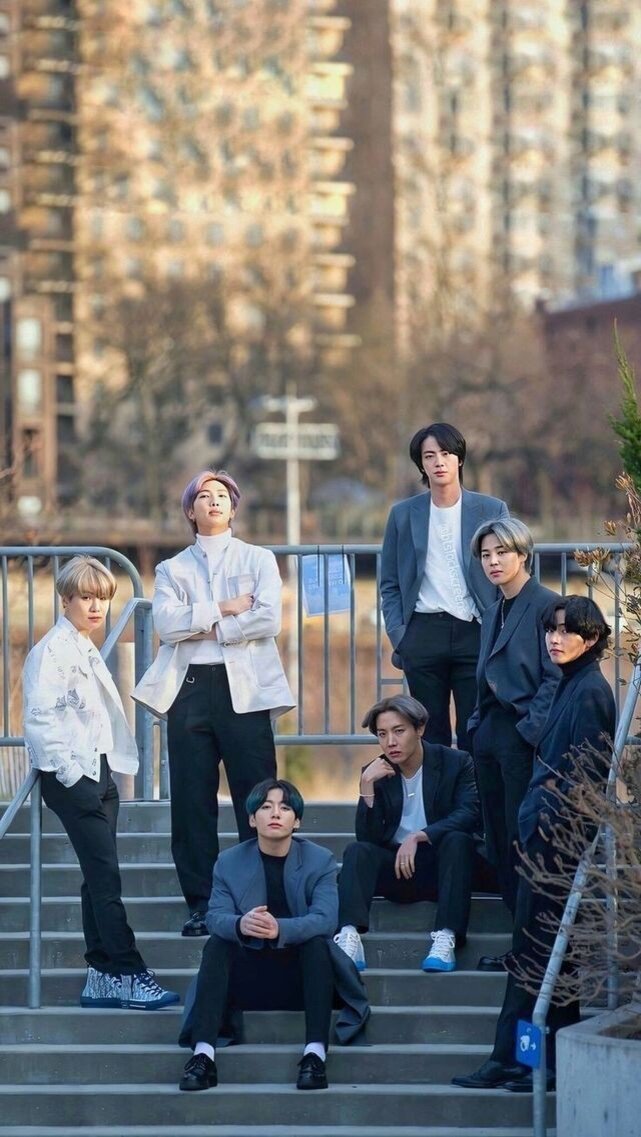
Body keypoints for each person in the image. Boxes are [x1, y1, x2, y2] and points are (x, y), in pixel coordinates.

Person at [453, 596, 616, 1092]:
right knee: (547, 959)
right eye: (551, 630)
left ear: (591, 638)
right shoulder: (570, 683)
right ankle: (539, 1062)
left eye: (566, 631)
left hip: (557, 844)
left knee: (534, 956)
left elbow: (587, 775)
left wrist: (547, 815)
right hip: (544, 838)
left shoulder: (590, 691)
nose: (554, 639)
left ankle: (515, 1059)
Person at [133, 470, 295, 937]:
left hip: (244, 687)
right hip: (188, 688)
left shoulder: (258, 558)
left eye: (222, 495)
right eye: (204, 496)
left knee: (258, 796)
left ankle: (263, 897)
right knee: (191, 800)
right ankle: (202, 904)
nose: (214, 501)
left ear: (234, 507)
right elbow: (167, 625)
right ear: (191, 509)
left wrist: (203, 626)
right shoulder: (172, 569)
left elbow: (269, 619)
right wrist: (225, 608)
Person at [22, 555, 179, 1010]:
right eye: (86, 597)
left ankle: (101, 974)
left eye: (103, 599)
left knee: (97, 879)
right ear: (65, 600)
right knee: (106, 879)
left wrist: (100, 774)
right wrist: (73, 776)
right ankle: (129, 972)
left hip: (99, 771)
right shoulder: (51, 652)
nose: (96, 607)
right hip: (74, 777)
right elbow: (39, 722)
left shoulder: (83, 645)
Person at [178, 778, 368, 1093]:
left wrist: (280, 928)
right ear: (252, 819)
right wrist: (241, 924)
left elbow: (325, 920)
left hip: (304, 979)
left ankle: (315, 1055)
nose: (275, 814)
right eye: (266, 807)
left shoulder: (319, 860)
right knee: (217, 945)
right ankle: (203, 1056)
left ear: (297, 821)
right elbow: (215, 917)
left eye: (285, 808)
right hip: (248, 979)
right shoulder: (229, 862)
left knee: (316, 945)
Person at [380, 422, 509, 753]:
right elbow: (389, 582)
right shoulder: (403, 514)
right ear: (421, 464)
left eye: (446, 453)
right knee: (428, 731)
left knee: (475, 726)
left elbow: (510, 570)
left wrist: (500, 629)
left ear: (459, 459)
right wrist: (400, 636)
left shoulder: (491, 509)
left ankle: (474, 789)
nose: (439, 462)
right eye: (429, 456)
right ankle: (436, 789)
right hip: (422, 631)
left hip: (475, 630)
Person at [333, 695, 480, 974]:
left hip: (442, 868)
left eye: (399, 731)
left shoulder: (455, 762)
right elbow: (367, 838)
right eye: (382, 734)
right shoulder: (375, 772)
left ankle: (446, 937)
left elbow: (469, 813)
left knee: (458, 840)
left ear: (419, 728)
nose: (391, 742)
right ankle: (349, 936)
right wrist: (366, 786)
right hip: (398, 871)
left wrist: (419, 836)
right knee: (356, 851)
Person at [467, 518, 560, 949]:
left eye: (502, 552)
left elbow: (554, 677)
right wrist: (475, 726)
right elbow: (484, 675)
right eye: (486, 555)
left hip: (521, 734)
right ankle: (515, 939)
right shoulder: (492, 612)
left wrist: (529, 731)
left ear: (522, 554)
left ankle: (530, 943)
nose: (493, 561)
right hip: (489, 733)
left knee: (522, 837)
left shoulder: (547, 606)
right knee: (498, 839)